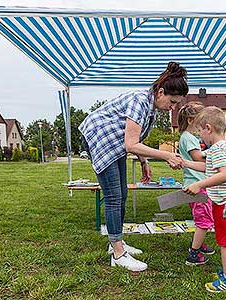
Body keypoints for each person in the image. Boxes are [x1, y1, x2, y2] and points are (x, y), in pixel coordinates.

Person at [79, 62, 187, 272]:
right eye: (172, 102)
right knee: (113, 196)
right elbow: (130, 143)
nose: (172, 107)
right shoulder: (139, 101)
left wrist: (144, 161)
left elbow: (133, 139)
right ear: (161, 92)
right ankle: (118, 254)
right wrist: (166, 155)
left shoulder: (150, 107)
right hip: (100, 139)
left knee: (122, 194)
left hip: (114, 143)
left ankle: (116, 242)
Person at [183, 106, 226, 294]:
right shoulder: (222, 146)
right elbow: (206, 166)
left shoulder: (216, 150)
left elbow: (224, 174)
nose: (200, 136)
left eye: (200, 131)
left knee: (225, 243)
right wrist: (185, 162)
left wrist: (199, 185)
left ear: (208, 128)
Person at [177, 102, 215, 266]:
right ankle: (194, 253)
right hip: (197, 185)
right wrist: (217, 152)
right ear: (192, 120)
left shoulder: (191, 137)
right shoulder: (189, 138)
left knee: (203, 218)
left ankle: (199, 243)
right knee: (203, 220)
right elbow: (198, 158)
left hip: (196, 183)